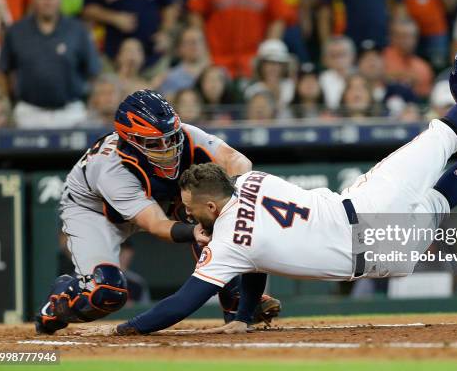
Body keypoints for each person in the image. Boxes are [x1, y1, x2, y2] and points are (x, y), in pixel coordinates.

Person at [79, 31, 457, 336]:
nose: (190, 216)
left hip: (389, 257)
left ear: (209, 205)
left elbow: (179, 304)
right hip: (365, 210)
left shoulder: (227, 244)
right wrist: (242, 312)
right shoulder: (253, 180)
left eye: (191, 208)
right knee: (443, 134)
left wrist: (125, 328)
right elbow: (248, 253)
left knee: (440, 194)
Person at [34, 89, 280, 335]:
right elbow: (156, 225)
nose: (167, 148)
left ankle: (236, 300)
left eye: (170, 138)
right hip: (94, 211)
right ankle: (59, 301)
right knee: (107, 294)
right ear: (129, 141)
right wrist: (194, 230)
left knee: (213, 212)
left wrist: (236, 192)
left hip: (157, 197)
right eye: (153, 143)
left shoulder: (185, 135)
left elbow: (237, 160)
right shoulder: (111, 168)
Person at [0, 0, 101, 129]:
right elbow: (2, 70)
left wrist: (89, 104)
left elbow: (94, 71)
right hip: (28, 113)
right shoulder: (16, 31)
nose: (48, 2)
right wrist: (8, 104)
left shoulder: (78, 30)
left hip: (71, 112)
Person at [187, 0, 290, 78]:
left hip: (253, 60)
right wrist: (203, 51)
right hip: (215, 58)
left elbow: (278, 18)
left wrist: (266, 55)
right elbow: (196, 12)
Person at [82, 0, 180, 69]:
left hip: (153, 53)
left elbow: (170, 5)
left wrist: (165, 32)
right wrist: (114, 17)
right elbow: (88, 9)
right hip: (114, 53)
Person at [317, 0, 403, 49]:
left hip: (381, 36)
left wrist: (395, 34)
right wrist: (326, 43)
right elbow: (324, 11)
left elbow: (399, 3)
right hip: (347, 39)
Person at [383, 18, 434, 99]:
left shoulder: (423, 67)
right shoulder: (381, 59)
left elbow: (424, 97)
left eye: (412, 37)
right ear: (392, 37)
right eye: (403, 36)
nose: (408, 41)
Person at [157, 27, 209, 97]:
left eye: (200, 40)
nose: (196, 44)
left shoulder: (219, 72)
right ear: (180, 48)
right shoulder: (170, 77)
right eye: (190, 42)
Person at [319, 36, 356, 110]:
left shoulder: (361, 77)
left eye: (342, 54)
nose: (339, 59)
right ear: (325, 59)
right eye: (334, 55)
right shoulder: (320, 80)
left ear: (352, 56)